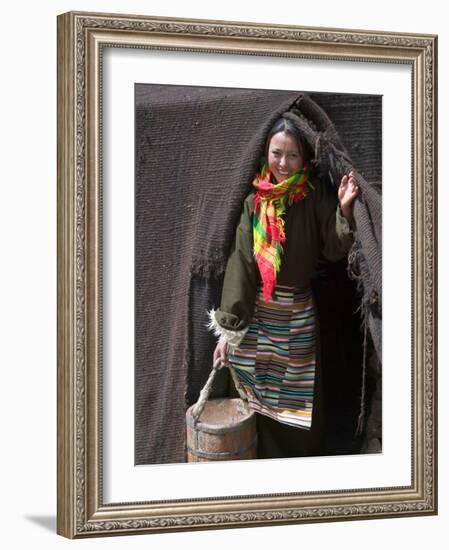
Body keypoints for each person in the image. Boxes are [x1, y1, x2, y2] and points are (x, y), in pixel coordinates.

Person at [207, 115, 359, 458]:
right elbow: (242, 265)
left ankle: (297, 467)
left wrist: (345, 211)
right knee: (255, 394)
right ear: (266, 153)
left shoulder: (315, 196)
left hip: (297, 312)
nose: (283, 164)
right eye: (277, 153)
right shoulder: (254, 202)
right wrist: (228, 332)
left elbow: (335, 247)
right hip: (258, 312)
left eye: (292, 156)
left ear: (304, 158)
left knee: (296, 397)